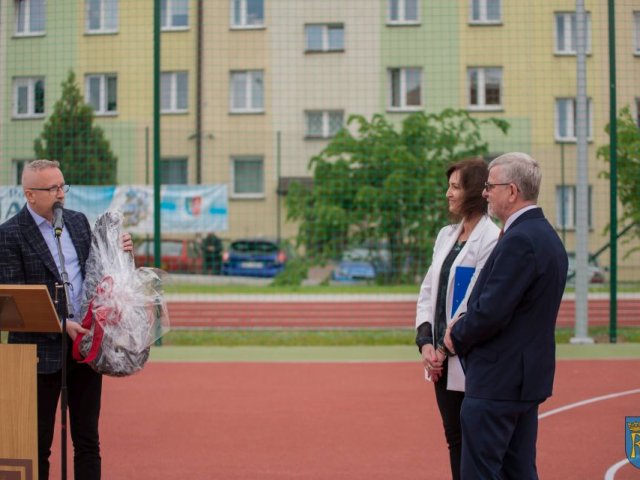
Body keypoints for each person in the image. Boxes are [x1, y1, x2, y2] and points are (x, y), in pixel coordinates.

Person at [0, 159, 133, 480]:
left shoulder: (76, 222)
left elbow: (98, 274)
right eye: (53, 188)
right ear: (30, 194)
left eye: (63, 186)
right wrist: (59, 323)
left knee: (87, 439)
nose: (61, 194)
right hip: (36, 354)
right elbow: (11, 298)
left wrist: (121, 252)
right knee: (37, 445)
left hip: (84, 347)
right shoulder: (9, 234)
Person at [444, 152, 568, 479]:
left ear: (511, 191)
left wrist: (454, 335)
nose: (484, 193)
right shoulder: (546, 236)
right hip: (524, 380)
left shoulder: (520, 240)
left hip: (498, 382)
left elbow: (491, 313)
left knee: (481, 472)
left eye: (490, 186)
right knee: (518, 470)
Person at [415, 158, 500, 480]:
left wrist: (445, 350)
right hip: (440, 360)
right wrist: (425, 343)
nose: (448, 193)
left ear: (476, 192)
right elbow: (428, 291)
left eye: (455, 187)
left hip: (469, 359)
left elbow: (473, 303)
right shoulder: (446, 235)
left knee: (475, 442)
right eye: (448, 186)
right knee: (454, 439)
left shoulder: (491, 240)